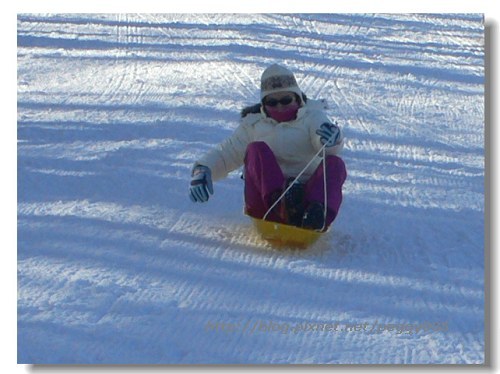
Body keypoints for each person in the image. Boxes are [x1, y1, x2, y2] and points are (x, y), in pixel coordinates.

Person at [189, 63, 347, 231]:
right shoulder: (254, 124)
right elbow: (227, 152)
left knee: (335, 164)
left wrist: (330, 140)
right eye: (272, 102)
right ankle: (281, 203)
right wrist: (203, 169)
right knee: (256, 150)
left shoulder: (313, 116)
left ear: (298, 98)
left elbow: (325, 143)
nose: (280, 106)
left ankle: (317, 213)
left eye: (286, 100)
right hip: (266, 206)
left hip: (307, 202)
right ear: (264, 104)